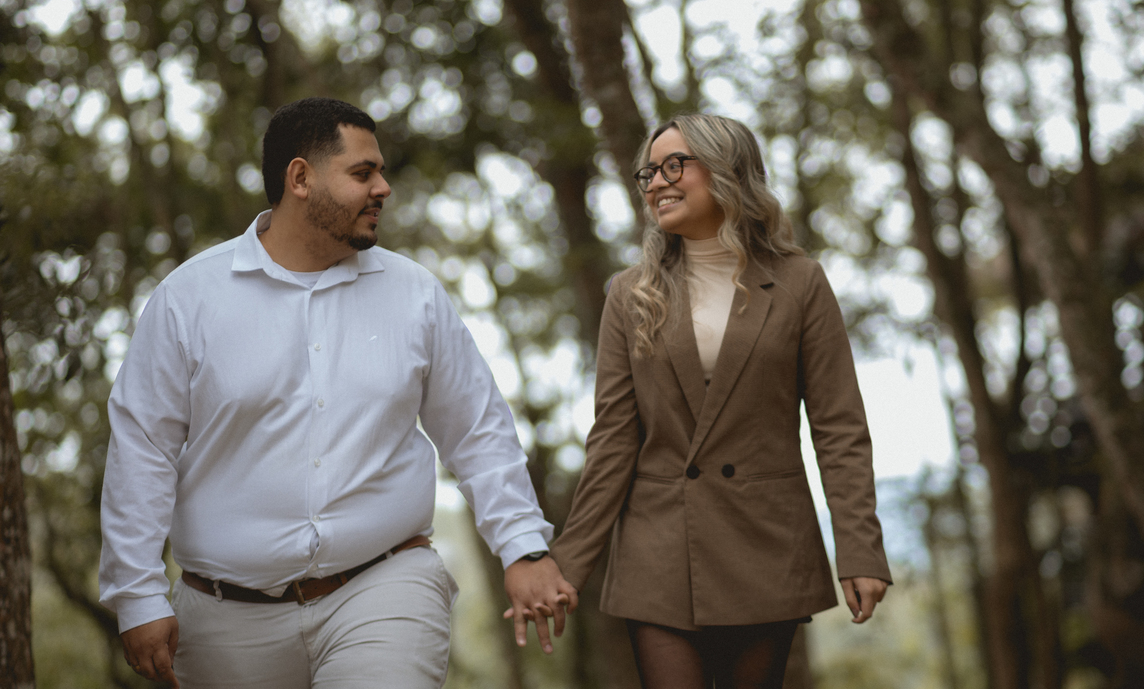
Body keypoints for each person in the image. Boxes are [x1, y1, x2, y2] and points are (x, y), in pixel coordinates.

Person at [99, 97, 576, 689]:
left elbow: (477, 430)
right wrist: (138, 594)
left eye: (380, 171)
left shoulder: (415, 295)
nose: (383, 188)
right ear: (300, 178)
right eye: (362, 172)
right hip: (223, 619)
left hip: (383, 585)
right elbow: (142, 450)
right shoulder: (187, 300)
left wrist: (523, 547)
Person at [549, 114, 892, 688]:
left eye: (673, 165)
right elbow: (613, 438)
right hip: (657, 548)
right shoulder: (629, 293)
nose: (656, 182)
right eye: (648, 172)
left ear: (727, 171)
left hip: (765, 544)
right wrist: (568, 564)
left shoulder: (801, 283)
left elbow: (839, 428)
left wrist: (860, 549)